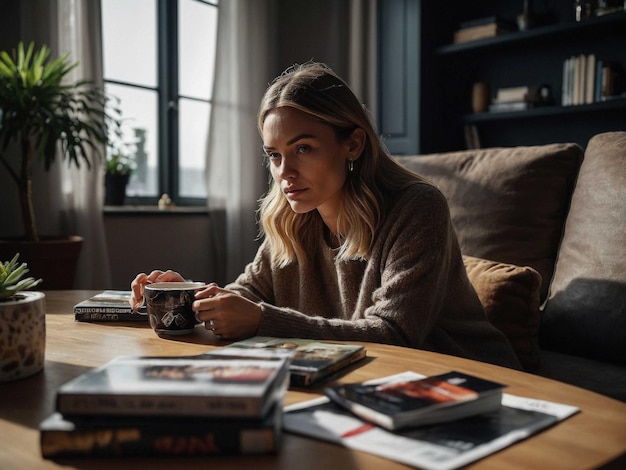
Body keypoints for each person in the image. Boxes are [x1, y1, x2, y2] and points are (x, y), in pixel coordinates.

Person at [130, 62, 521, 370]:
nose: (285, 173)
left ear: (352, 144)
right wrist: (190, 297)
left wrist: (262, 321)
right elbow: (249, 294)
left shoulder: (418, 208)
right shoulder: (292, 214)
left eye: (303, 149)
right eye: (274, 155)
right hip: (361, 377)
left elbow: (396, 334)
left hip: (467, 380)